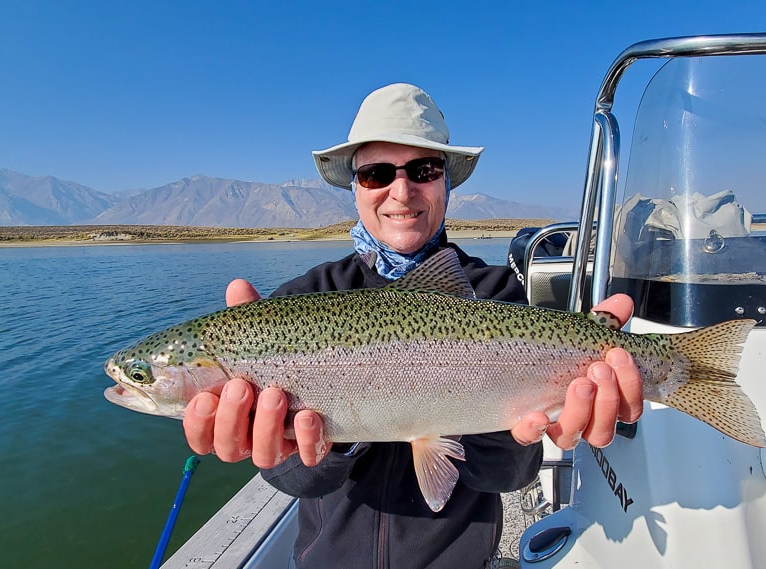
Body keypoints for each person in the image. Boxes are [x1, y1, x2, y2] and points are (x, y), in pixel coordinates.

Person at [182, 83, 644, 569]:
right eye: (377, 173)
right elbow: (298, 481)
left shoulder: (493, 292)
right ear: (354, 188)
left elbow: (510, 474)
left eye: (423, 170)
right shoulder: (305, 297)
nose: (401, 192)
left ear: (446, 183)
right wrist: (323, 439)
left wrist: (528, 425)